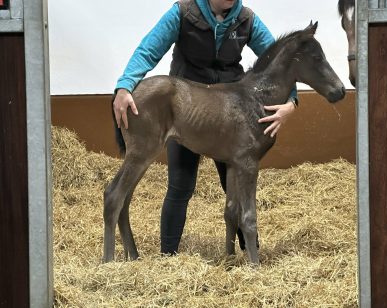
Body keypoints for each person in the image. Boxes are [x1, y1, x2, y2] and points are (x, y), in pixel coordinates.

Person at [113, 0, 298, 254]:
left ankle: (249, 252)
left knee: (237, 184)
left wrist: (292, 101)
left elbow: (280, 60)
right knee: (180, 185)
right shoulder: (183, 12)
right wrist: (125, 84)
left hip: (229, 113)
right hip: (189, 110)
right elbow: (149, 48)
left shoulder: (246, 18)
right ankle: (168, 256)